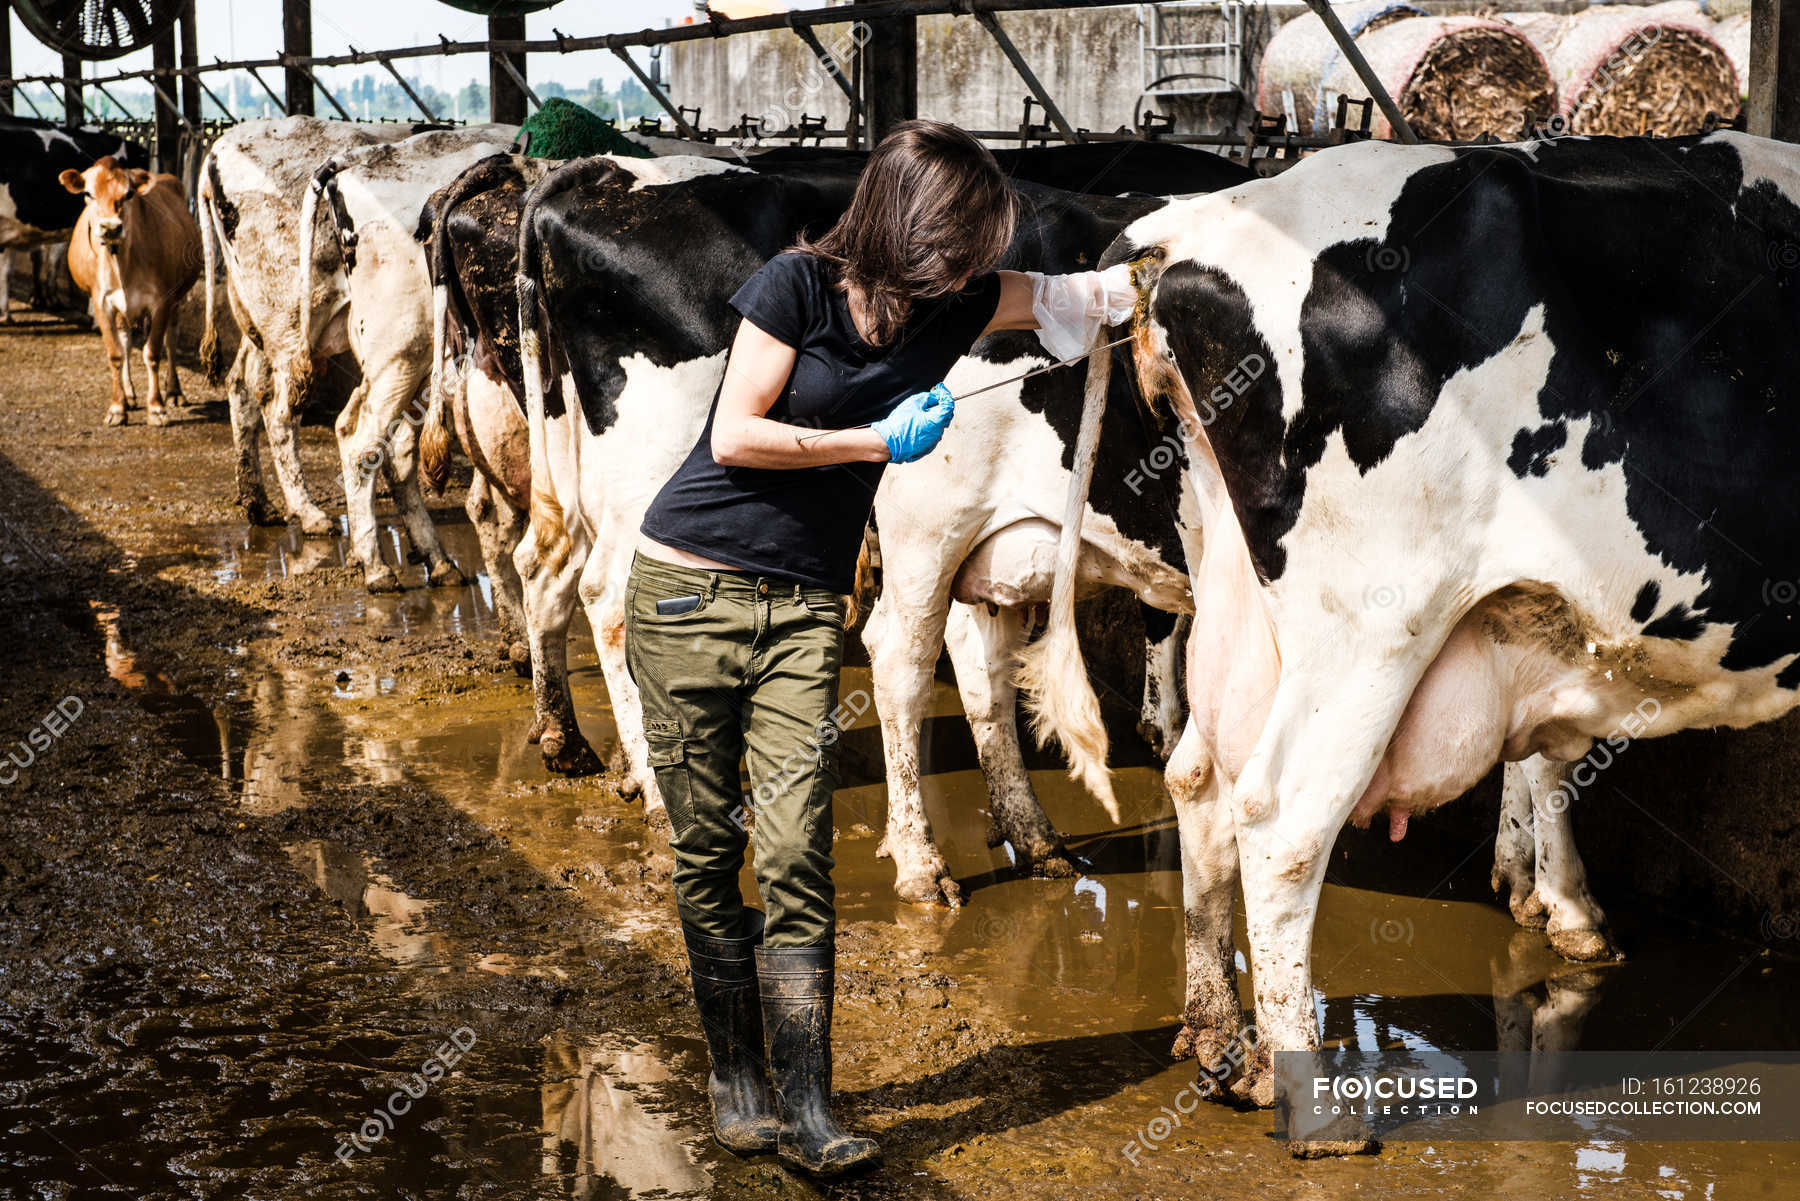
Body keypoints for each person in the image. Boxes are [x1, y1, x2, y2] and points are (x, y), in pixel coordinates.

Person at [624, 119, 1136, 1176]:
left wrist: (1167, 274)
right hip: (687, 590)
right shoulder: (793, 289)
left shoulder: (958, 299)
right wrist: (877, 439)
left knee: (801, 853)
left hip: (803, 609)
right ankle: (737, 1080)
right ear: (910, 223)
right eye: (961, 241)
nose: (973, 266)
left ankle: (811, 1107)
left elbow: (1065, 296)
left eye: (981, 248)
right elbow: (734, 436)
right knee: (711, 852)